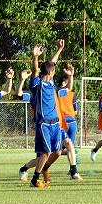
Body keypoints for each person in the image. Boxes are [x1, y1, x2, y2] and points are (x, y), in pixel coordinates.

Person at [17, 64, 82, 183]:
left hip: (57, 124)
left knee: (58, 151)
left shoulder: (52, 87)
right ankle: (27, 171)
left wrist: (71, 76)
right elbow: (19, 94)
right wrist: (22, 79)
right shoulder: (36, 89)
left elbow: (68, 88)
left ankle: (69, 170)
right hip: (43, 125)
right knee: (43, 156)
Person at [28, 40, 67, 188]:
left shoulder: (51, 83)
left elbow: (52, 62)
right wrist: (35, 57)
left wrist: (59, 49)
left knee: (57, 152)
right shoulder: (37, 84)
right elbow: (35, 70)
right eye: (53, 70)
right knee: (45, 152)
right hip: (43, 123)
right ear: (50, 72)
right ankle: (34, 179)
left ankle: (44, 168)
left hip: (55, 122)